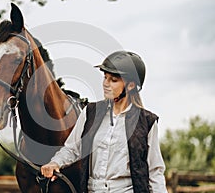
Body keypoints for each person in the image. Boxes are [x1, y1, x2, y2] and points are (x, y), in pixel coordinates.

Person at [41, 50, 168, 193]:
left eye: (113, 80)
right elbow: (73, 148)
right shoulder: (90, 113)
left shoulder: (147, 122)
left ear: (131, 85)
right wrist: (55, 162)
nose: (106, 84)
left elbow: (155, 172)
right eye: (105, 78)